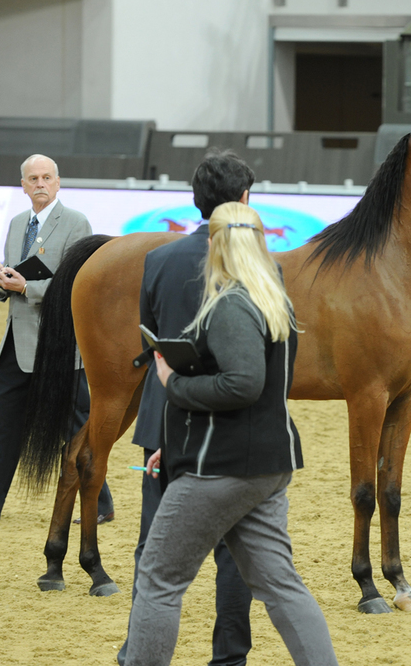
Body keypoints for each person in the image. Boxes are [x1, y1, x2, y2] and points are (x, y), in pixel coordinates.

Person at [124, 202, 338, 666]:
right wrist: (175, 441)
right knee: (280, 586)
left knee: (159, 579)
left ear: (215, 243)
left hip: (221, 466)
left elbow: (242, 385)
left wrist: (171, 383)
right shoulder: (272, 299)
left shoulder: (231, 304)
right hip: (266, 462)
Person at [118, 150, 256, 666]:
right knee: (235, 553)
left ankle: (139, 648)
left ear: (196, 202)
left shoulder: (158, 259)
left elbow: (151, 336)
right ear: (244, 200)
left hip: (167, 422)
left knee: (153, 549)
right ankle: (229, 657)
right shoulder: (257, 266)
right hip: (230, 425)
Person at [0, 154, 114, 524]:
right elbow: (15, 275)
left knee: (76, 426)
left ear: (58, 182)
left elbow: (77, 284)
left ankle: (99, 505)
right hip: (15, 341)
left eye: (46, 177)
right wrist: (4, 285)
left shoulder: (76, 223)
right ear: (23, 185)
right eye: (32, 178)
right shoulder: (18, 223)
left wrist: (27, 287)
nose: (40, 183)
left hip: (58, 343)